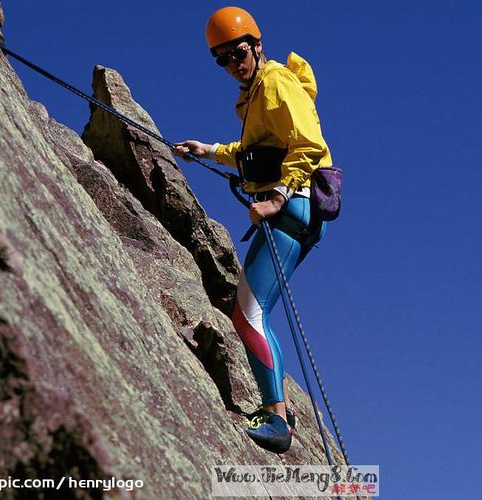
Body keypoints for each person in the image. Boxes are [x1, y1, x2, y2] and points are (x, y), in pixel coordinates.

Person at [175, 6, 332, 454]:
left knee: (248, 314)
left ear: (257, 46)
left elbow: (308, 144)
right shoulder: (257, 92)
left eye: (238, 53)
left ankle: (277, 419)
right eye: (222, 59)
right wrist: (208, 150)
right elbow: (254, 150)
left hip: (291, 208)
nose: (232, 65)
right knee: (253, 310)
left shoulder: (278, 83)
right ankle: (280, 408)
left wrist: (277, 197)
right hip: (293, 212)